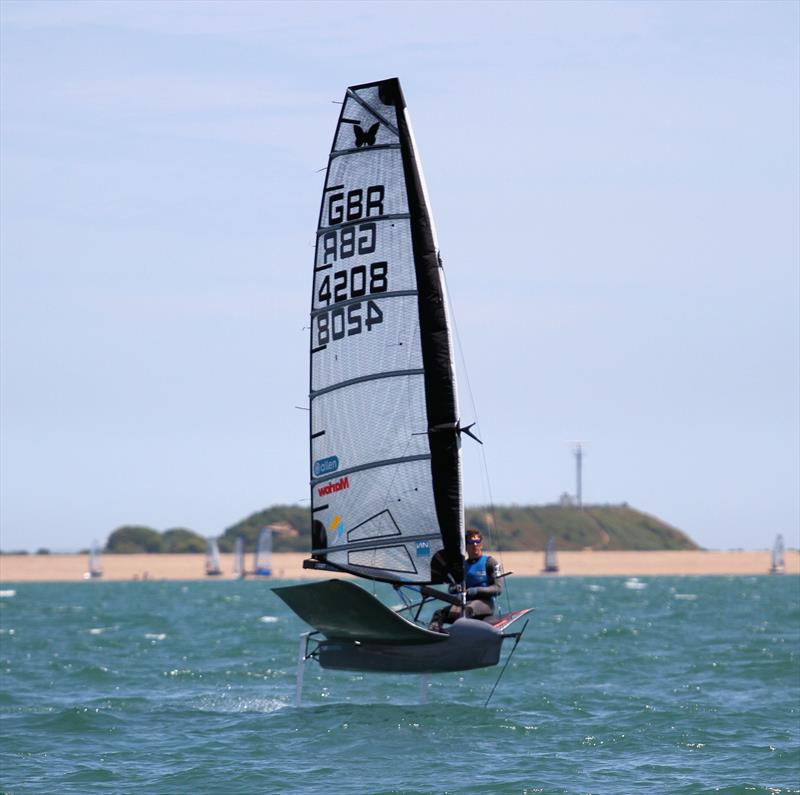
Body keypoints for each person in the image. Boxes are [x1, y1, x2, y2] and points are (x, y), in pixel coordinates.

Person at [428, 529, 502, 632]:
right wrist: (456, 588)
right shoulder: (461, 566)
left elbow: (498, 588)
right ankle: (434, 635)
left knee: (466, 611)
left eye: (477, 542)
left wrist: (476, 590)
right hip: (464, 603)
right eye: (471, 542)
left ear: (481, 544)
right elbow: (451, 589)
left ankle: (456, 634)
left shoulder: (490, 562)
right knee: (439, 613)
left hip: (485, 603)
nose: (475, 545)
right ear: (466, 546)